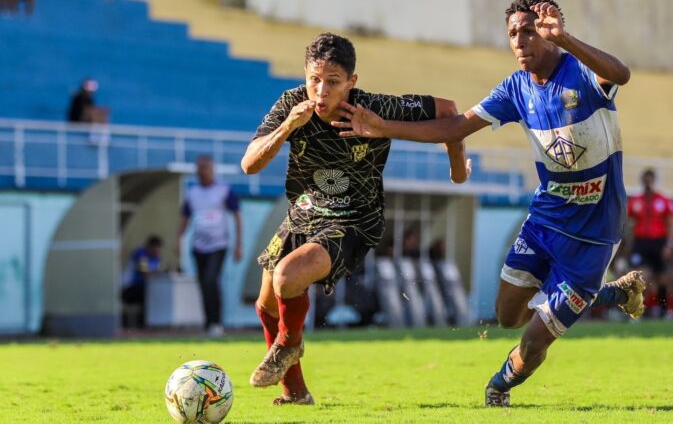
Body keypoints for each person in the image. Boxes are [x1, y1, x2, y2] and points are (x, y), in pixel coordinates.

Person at [333, 0, 645, 407]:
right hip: (546, 220)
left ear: (551, 32)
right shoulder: (515, 89)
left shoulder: (584, 74)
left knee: (533, 342)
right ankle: (611, 294)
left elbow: (621, 74)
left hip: (594, 233)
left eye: (529, 30)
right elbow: (456, 126)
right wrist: (382, 128)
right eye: (513, 33)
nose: (519, 40)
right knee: (507, 316)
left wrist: (567, 39)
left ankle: (497, 387)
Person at [240, 32, 471, 405]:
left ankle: (288, 345)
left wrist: (458, 169)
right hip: (303, 214)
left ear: (352, 82)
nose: (321, 91)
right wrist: (287, 129)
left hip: (353, 220)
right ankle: (295, 393)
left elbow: (450, 112)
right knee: (266, 304)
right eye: (314, 80)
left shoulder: (373, 107)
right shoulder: (291, 103)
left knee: (287, 277)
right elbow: (249, 165)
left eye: (333, 82)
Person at [177, 155, 243, 337]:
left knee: (211, 281)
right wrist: (178, 240)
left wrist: (239, 244)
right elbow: (185, 218)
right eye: (199, 168)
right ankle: (208, 324)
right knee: (203, 285)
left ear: (212, 169)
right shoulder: (192, 193)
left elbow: (237, 214)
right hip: (198, 246)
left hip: (218, 244)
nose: (201, 171)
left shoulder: (223, 190)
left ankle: (217, 323)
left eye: (205, 167)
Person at [627, 168, 673, 318]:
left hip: (659, 242)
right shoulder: (635, 200)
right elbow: (627, 222)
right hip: (641, 242)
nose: (648, 182)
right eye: (646, 179)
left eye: (650, 179)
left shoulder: (664, 200)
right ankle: (638, 310)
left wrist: (669, 244)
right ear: (642, 180)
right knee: (638, 276)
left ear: (654, 180)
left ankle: (662, 309)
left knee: (661, 277)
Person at [121, 235, 164, 328]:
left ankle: (157, 321)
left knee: (158, 292)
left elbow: (156, 274)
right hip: (129, 288)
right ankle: (144, 323)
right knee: (150, 293)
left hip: (144, 289)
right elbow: (144, 271)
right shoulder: (141, 253)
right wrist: (155, 274)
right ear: (150, 247)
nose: (158, 252)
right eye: (156, 249)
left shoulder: (156, 258)